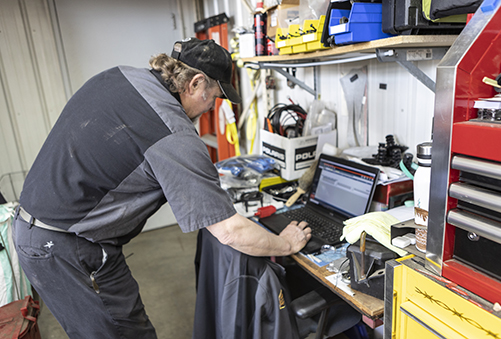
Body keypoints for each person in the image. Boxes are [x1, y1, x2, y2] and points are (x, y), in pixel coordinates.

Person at [12, 38, 311, 339]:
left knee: (131, 326)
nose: (210, 107)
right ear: (195, 84)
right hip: (63, 246)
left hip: (45, 225)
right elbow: (230, 231)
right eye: (214, 97)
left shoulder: (121, 75)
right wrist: (286, 244)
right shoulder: (173, 133)